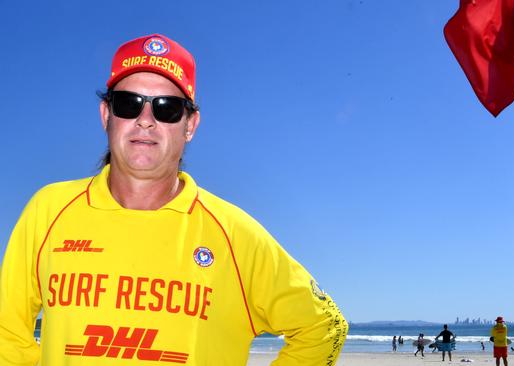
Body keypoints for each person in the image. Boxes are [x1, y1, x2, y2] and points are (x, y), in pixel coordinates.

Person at [0, 34, 348, 366]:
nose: (146, 121)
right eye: (128, 104)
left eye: (167, 108)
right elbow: (7, 337)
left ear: (190, 124)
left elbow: (324, 326)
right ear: (107, 116)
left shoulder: (233, 234)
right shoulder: (48, 211)